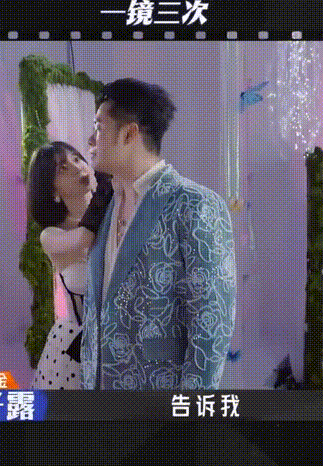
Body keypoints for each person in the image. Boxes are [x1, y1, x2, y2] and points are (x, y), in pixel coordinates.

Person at [78, 78, 236, 390]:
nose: (91, 140)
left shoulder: (195, 203)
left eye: (99, 127)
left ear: (129, 133)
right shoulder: (108, 204)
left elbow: (212, 328)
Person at [26, 141, 112, 389]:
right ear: (52, 190)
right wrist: (105, 185)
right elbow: (84, 237)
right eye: (63, 167)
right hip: (75, 348)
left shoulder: (115, 215)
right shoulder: (51, 235)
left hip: (120, 339)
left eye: (76, 158)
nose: (77, 167)